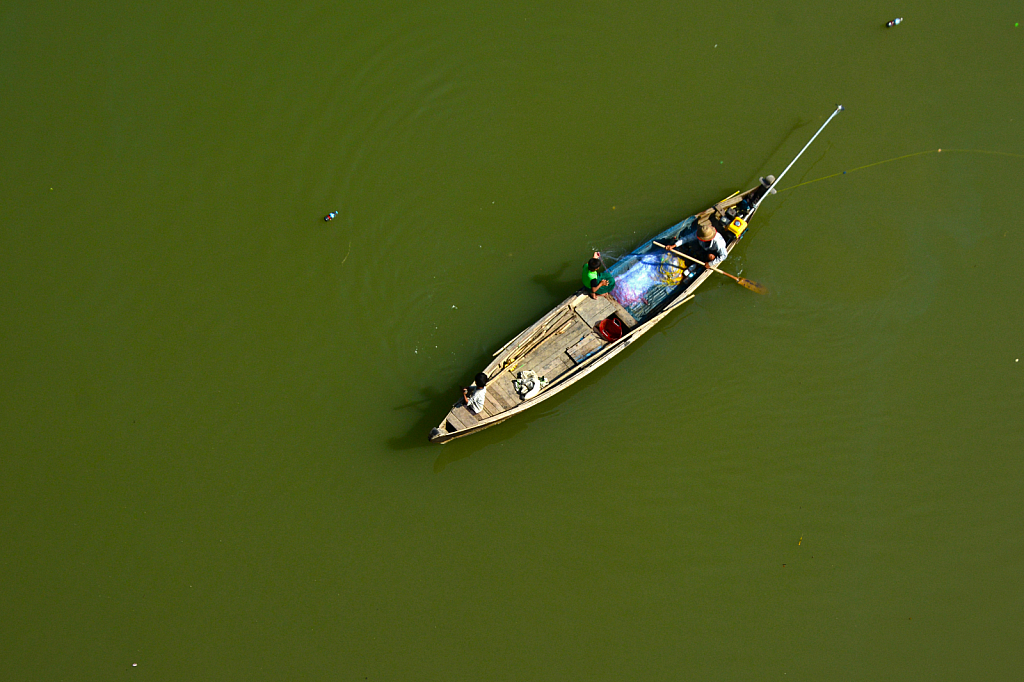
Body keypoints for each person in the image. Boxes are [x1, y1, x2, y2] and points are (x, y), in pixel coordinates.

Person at [663, 222, 727, 277]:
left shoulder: (719, 243)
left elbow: (724, 256)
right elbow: (686, 238)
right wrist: (673, 246)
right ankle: (699, 257)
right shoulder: (699, 233)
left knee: (710, 256)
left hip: (713, 251)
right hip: (703, 247)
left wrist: (710, 264)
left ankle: (704, 261)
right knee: (692, 244)